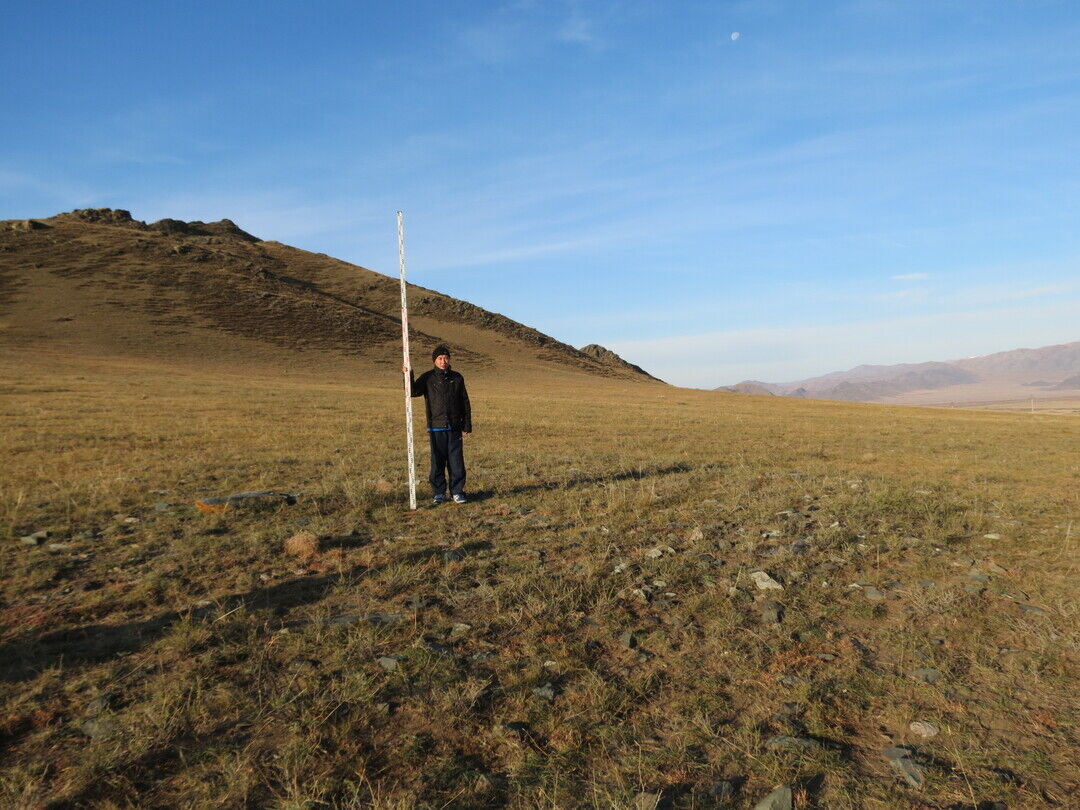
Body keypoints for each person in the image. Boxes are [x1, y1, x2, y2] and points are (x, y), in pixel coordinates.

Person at [405, 345, 472, 503]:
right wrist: (408, 374)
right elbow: (412, 391)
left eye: (446, 358)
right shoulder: (428, 378)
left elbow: (465, 402)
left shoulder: (457, 377)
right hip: (436, 426)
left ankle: (457, 491)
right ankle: (439, 492)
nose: (443, 361)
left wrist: (467, 424)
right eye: (440, 358)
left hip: (455, 427)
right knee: (437, 460)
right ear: (434, 360)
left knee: (456, 461)